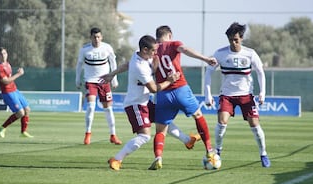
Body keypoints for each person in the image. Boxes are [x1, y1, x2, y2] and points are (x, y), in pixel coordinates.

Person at [107, 35, 194, 170]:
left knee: (163, 121)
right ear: (145, 50)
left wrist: (113, 73)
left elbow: (127, 64)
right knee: (144, 136)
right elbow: (154, 89)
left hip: (145, 102)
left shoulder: (140, 56)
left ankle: (187, 140)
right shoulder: (139, 66)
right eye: (153, 51)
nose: (156, 53)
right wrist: (170, 81)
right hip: (136, 104)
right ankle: (117, 159)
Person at [148, 25, 217, 170]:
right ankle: (210, 150)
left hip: (162, 93)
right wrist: (204, 58)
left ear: (156, 37)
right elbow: (185, 50)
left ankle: (158, 158)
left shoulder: (152, 50)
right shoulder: (174, 44)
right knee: (198, 116)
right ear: (170, 35)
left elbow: (150, 70)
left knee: (161, 130)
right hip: (180, 89)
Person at [204, 22, 271, 167]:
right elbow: (208, 72)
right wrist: (207, 94)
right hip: (227, 95)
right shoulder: (220, 53)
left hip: (246, 95)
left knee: (255, 124)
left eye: (236, 40)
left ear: (241, 38)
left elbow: (260, 72)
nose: (233, 43)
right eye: (230, 40)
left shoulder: (250, 53)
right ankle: (218, 151)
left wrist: (262, 93)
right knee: (222, 122)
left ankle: (263, 154)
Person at [75, 27, 122, 145]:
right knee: (91, 106)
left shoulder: (107, 48)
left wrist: (114, 78)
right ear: (91, 37)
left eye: (98, 37)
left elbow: (113, 62)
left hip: (104, 81)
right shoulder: (85, 50)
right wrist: (77, 79)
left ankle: (113, 135)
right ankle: (87, 134)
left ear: (102, 37)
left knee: (108, 108)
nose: (96, 39)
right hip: (90, 81)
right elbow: (79, 64)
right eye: (94, 37)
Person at [0, 47, 33, 138]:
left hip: (15, 90)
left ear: (7, 54)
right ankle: (2, 127)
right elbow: (6, 81)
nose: (3, 55)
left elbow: (10, 78)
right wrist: (19, 74)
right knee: (20, 113)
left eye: (4, 53)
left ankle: (23, 132)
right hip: (8, 93)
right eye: (1, 54)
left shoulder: (8, 64)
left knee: (27, 109)